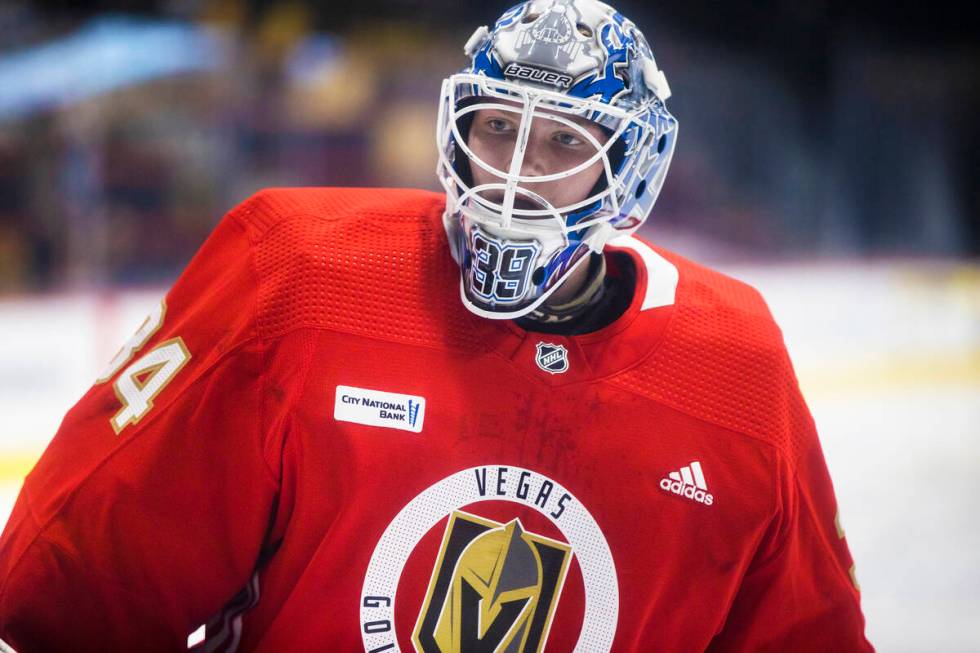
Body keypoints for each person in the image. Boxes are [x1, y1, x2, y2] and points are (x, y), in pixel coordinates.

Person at [0, 1, 874, 651]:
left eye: (566, 144)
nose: (518, 173)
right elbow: (66, 590)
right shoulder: (298, 273)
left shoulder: (732, 363)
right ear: (455, 131)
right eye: (497, 128)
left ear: (632, 172)